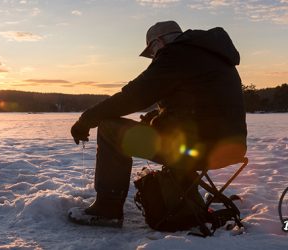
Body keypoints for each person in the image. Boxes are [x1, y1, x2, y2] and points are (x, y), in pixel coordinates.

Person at [68, 21, 247, 227]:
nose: (153, 58)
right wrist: (157, 118)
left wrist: (86, 120)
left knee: (110, 128)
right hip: (229, 147)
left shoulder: (176, 54)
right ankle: (185, 201)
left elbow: (133, 97)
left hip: (199, 148)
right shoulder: (212, 56)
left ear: (159, 42)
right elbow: (199, 106)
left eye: (152, 52)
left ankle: (107, 209)